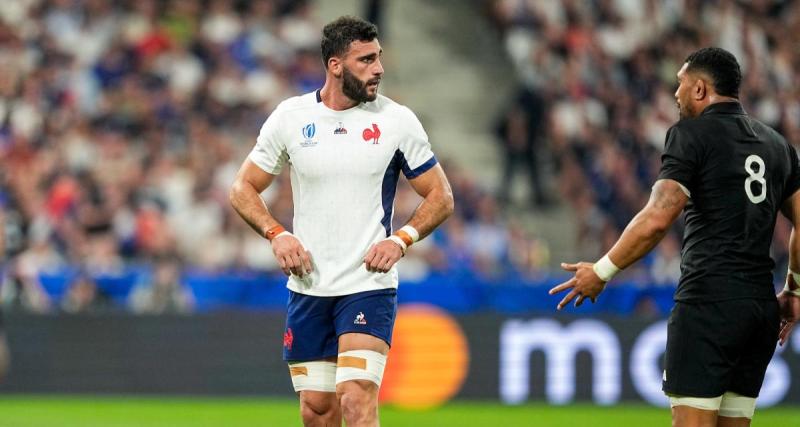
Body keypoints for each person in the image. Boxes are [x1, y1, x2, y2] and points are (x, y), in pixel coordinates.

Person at [549, 47, 800, 427]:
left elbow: (657, 217)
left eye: (680, 85)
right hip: (758, 309)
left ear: (700, 89)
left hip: (708, 303)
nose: (675, 95)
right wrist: (794, 291)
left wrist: (601, 270)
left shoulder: (690, 134)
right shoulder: (777, 145)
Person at [229, 15, 453, 427]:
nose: (379, 69)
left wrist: (401, 239)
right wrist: (276, 234)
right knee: (317, 410)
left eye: (379, 58)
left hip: (367, 284)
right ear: (335, 65)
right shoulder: (290, 117)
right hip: (309, 284)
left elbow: (441, 195)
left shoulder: (396, 121)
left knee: (355, 397)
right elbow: (242, 188)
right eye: (366, 60)